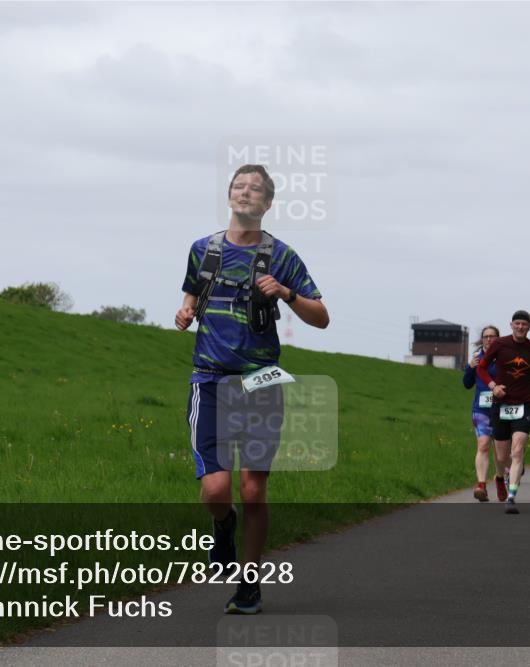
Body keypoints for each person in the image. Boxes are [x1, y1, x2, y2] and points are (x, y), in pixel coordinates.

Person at [176, 164, 329, 614]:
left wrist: (285, 292)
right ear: (229, 197)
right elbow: (190, 294)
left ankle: (248, 583)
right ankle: (223, 528)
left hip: (261, 380)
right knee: (215, 490)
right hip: (210, 380)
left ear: (266, 204)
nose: (246, 193)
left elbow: (321, 316)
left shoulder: (282, 256)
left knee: (253, 490)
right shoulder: (202, 250)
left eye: (255, 189)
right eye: (239, 186)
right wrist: (184, 313)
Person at [475, 310, 530, 514]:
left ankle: (511, 496)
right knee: (501, 456)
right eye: (517, 324)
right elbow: (481, 368)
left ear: (529, 327)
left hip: (523, 404)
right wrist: (493, 386)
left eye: (524, 324)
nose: (520, 327)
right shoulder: (500, 344)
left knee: (517, 451)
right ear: (511, 325)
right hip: (500, 403)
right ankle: (500, 477)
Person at [463, 325, 503, 502]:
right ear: (482, 340)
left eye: (492, 336)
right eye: (486, 336)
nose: (489, 339)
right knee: (484, 444)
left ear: (498, 339)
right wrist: (470, 368)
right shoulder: (476, 359)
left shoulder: (504, 358)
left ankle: (501, 477)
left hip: (502, 409)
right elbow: (466, 384)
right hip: (481, 409)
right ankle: (481, 485)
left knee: (501, 451)